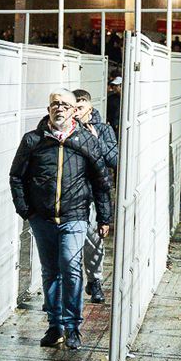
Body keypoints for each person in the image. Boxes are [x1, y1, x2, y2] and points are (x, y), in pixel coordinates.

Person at [9, 90, 112, 352]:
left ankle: (72, 326)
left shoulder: (86, 140)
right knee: (50, 271)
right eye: (55, 104)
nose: (60, 109)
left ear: (73, 110)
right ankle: (55, 326)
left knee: (71, 266)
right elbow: (16, 176)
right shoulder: (33, 140)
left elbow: (101, 182)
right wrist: (26, 210)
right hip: (42, 218)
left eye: (65, 105)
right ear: (48, 108)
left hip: (75, 215)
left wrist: (104, 217)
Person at [72, 88, 119, 304]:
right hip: (72, 194)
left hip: (93, 192)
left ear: (90, 108)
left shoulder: (103, 129)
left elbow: (115, 160)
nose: (76, 112)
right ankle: (72, 287)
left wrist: (96, 140)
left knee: (94, 240)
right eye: (74, 107)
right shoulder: (68, 128)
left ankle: (95, 280)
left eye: (80, 107)